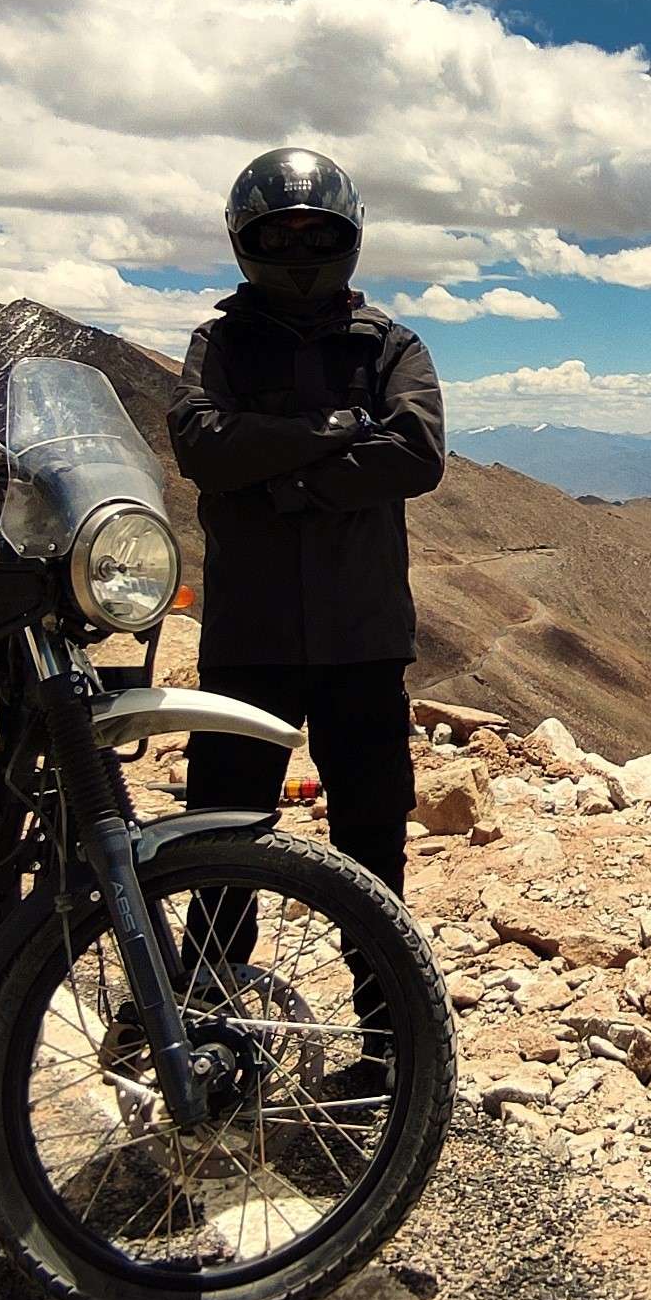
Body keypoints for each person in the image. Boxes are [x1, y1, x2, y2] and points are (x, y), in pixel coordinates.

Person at [166, 147, 447, 1063]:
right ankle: (203, 1025)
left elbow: (415, 454)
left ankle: (387, 1038)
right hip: (249, 637)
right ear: (245, 241)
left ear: (347, 239)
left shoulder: (391, 344)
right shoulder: (219, 342)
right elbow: (200, 446)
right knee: (222, 832)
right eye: (277, 234)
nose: (295, 248)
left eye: (313, 233)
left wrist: (280, 478)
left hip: (361, 638)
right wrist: (330, 435)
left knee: (373, 838)